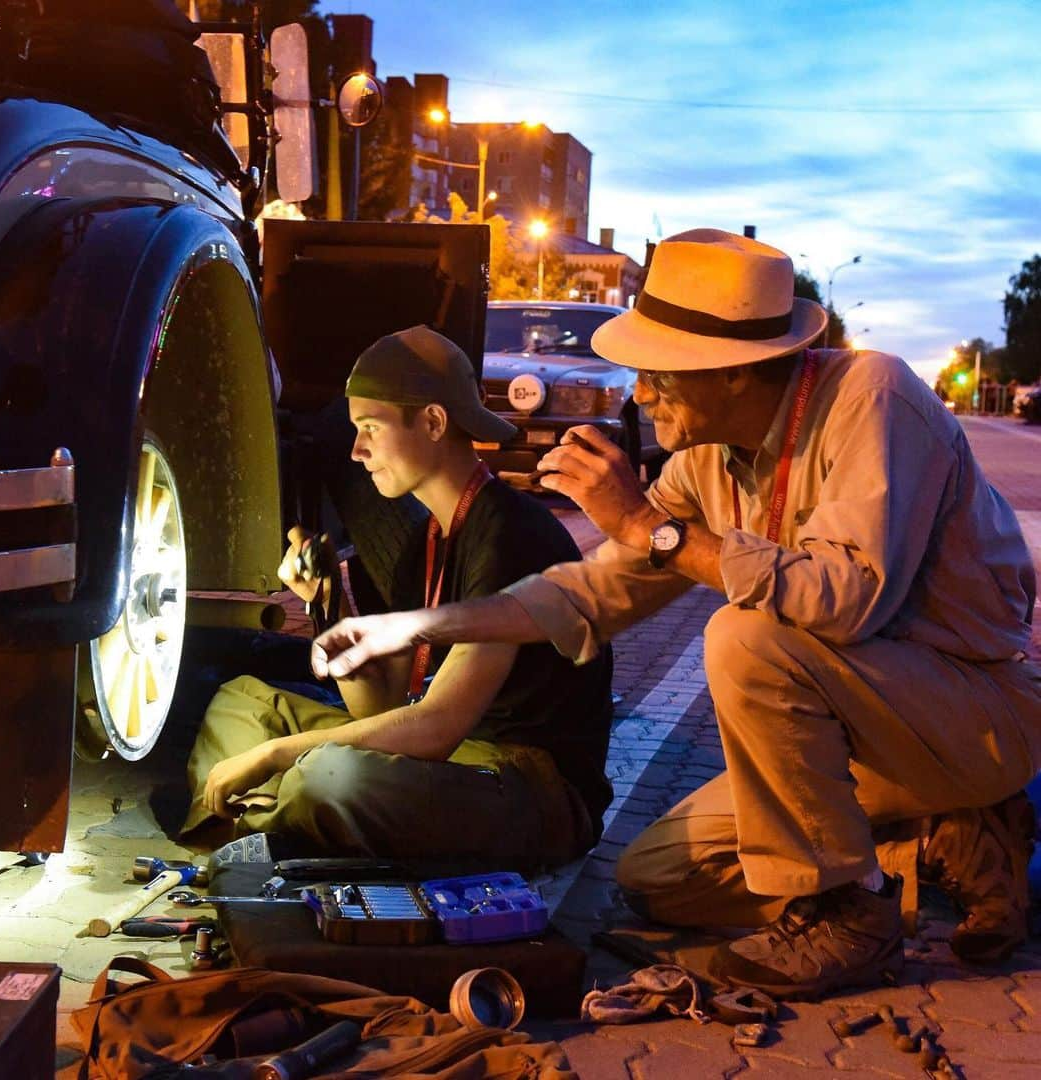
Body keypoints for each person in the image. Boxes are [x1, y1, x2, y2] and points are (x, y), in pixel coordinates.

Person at [312, 230, 1041, 1001]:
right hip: (857, 747)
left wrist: (652, 530)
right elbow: (593, 595)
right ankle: (927, 842)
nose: (642, 393)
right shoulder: (707, 458)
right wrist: (417, 628)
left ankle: (844, 914)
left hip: (969, 715)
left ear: (731, 374)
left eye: (660, 374)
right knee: (658, 878)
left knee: (746, 639)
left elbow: (847, 599)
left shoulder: (875, 399)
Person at [180, 324, 614, 870]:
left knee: (328, 774)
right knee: (243, 701)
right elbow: (381, 709)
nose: (357, 451)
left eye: (370, 427)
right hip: (444, 761)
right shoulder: (425, 538)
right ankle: (274, 828)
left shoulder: (511, 535)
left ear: (433, 421)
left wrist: (275, 755)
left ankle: (259, 826)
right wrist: (327, 607)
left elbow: (434, 727)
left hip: (528, 786)